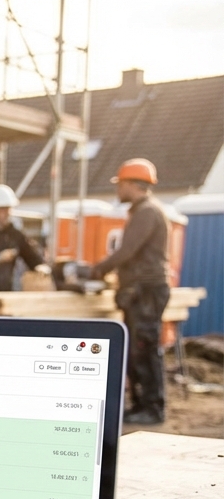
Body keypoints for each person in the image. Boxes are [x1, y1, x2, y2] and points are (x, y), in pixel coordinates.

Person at [90, 158, 172, 424]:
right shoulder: (142, 211)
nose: (117, 190)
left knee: (144, 348)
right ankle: (141, 406)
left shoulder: (147, 211)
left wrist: (98, 269)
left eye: (120, 184)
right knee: (138, 350)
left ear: (131, 184)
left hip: (146, 291)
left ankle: (152, 408)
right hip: (141, 290)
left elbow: (128, 251)